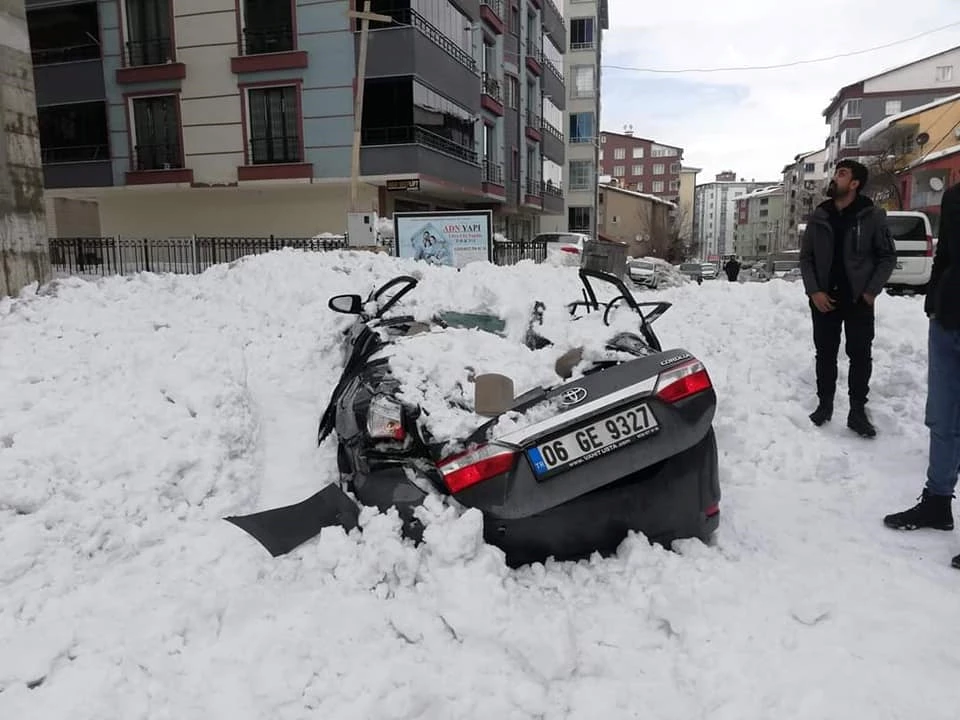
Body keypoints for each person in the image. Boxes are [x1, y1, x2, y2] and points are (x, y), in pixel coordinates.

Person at [883, 182, 960, 569]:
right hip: (948, 319)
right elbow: (946, 253)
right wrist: (933, 302)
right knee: (942, 418)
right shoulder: (955, 196)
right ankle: (937, 503)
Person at [799, 159, 896, 438]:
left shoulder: (871, 215)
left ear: (854, 183)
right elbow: (806, 258)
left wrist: (870, 291)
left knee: (860, 356)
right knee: (825, 355)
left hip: (858, 301)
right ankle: (824, 405)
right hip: (824, 300)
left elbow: (887, 256)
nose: (835, 178)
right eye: (836, 173)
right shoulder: (820, 215)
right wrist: (814, 291)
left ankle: (857, 412)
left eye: (841, 174)